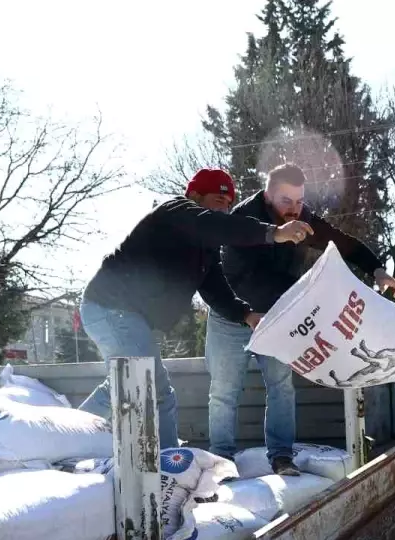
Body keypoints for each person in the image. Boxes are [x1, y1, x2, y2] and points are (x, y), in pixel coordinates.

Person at [78, 168, 312, 449]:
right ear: (195, 196)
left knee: (128, 387)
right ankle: (166, 465)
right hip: (111, 307)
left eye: (228, 204)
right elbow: (214, 225)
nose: (223, 209)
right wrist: (273, 233)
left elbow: (215, 289)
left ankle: (67, 436)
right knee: (149, 388)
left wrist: (246, 315)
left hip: (127, 316)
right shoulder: (175, 212)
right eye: (218, 200)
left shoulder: (204, 251)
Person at [208, 162, 395, 474]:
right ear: (268, 196)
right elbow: (243, 278)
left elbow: (342, 243)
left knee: (282, 386)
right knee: (224, 391)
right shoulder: (243, 219)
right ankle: (221, 461)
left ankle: (281, 456)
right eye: (286, 201)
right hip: (232, 315)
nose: (294, 209)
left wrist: (377, 269)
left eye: (299, 201)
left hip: (277, 317)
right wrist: (307, 291)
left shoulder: (303, 219)